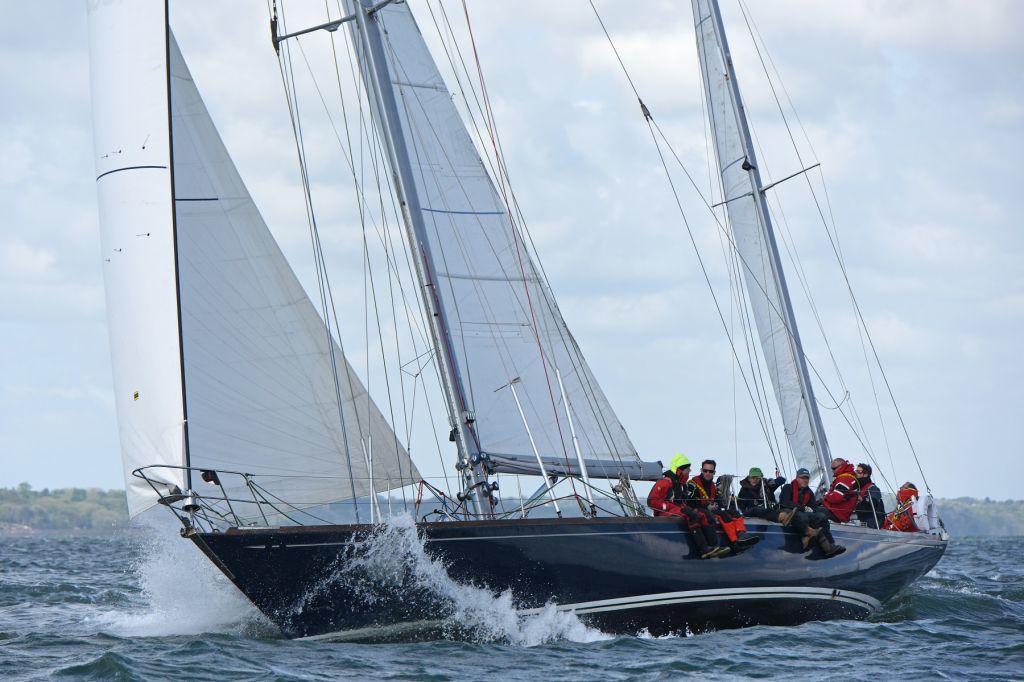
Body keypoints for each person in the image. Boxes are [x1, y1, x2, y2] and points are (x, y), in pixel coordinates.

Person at [647, 454, 729, 558]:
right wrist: (668, 507)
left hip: (678, 509)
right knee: (693, 515)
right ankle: (704, 549)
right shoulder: (664, 483)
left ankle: (713, 546)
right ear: (679, 470)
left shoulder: (681, 485)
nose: (690, 471)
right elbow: (651, 501)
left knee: (702, 515)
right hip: (666, 511)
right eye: (687, 469)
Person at [687, 459, 760, 551]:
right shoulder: (692, 484)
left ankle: (741, 534)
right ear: (701, 470)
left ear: (714, 472)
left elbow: (718, 501)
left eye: (711, 471)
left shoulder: (713, 486)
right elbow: (689, 501)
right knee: (724, 515)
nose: (708, 473)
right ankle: (735, 542)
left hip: (711, 510)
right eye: (705, 470)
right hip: (699, 510)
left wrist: (718, 506)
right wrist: (707, 507)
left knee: (735, 513)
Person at [778, 468, 846, 557]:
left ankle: (830, 545)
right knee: (802, 517)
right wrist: (803, 508)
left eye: (807, 478)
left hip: (803, 513)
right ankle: (806, 539)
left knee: (821, 516)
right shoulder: (788, 487)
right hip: (789, 513)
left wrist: (814, 510)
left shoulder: (809, 492)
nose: (805, 480)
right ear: (797, 478)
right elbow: (784, 502)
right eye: (803, 478)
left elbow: (813, 507)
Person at [822, 458, 860, 523]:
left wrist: (826, 496)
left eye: (834, 468)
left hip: (836, 513)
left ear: (842, 466)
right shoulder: (849, 477)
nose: (832, 471)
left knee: (811, 512)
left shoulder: (845, 479)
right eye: (831, 468)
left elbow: (836, 497)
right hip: (838, 512)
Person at [853, 463, 885, 529]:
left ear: (865, 474)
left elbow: (874, 502)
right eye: (856, 471)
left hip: (872, 520)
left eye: (859, 472)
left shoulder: (872, 488)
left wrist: (862, 499)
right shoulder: (857, 488)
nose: (856, 473)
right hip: (859, 518)